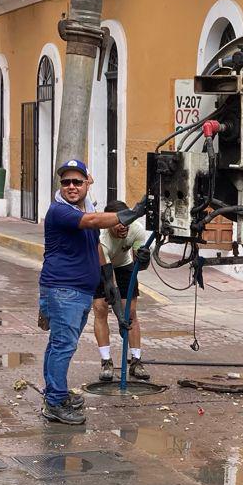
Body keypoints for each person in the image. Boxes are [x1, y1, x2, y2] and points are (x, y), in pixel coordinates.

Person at [38, 160, 148, 424]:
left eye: (77, 181)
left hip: (76, 290)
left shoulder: (81, 204)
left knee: (58, 345)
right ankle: (54, 403)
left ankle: (56, 393)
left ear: (87, 182)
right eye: (66, 182)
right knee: (63, 346)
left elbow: (94, 231)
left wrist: (108, 279)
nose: (71, 187)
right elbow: (94, 220)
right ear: (60, 186)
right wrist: (132, 212)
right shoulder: (61, 211)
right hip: (65, 290)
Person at [92, 200, 153, 382]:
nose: (123, 227)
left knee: (131, 312)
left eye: (125, 221)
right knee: (101, 308)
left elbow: (139, 265)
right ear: (108, 222)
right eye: (117, 223)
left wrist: (145, 260)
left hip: (125, 263)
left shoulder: (137, 229)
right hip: (102, 266)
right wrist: (120, 319)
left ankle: (136, 361)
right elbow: (110, 284)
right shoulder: (101, 238)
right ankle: (106, 361)